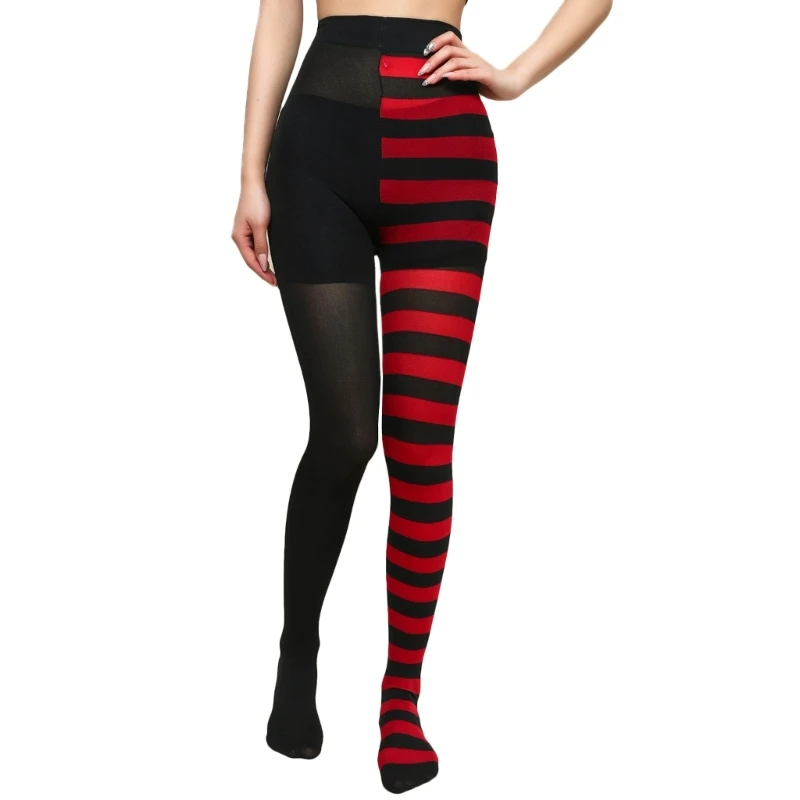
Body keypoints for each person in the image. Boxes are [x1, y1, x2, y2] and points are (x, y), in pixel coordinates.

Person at [232, 0, 612, 792]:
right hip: (316, 158)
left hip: (445, 164)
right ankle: (299, 648)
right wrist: (248, 175)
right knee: (345, 434)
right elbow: (279, 14)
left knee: (420, 443)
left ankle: (399, 702)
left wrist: (516, 75)